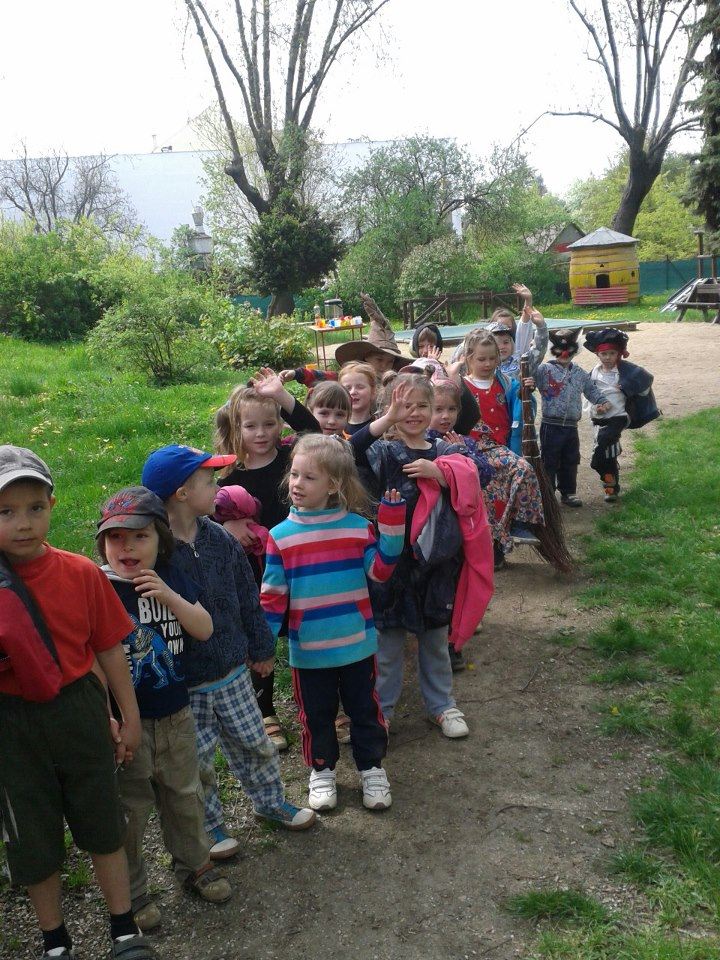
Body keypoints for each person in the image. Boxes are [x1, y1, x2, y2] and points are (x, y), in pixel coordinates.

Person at [0, 446, 158, 960]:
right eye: (5, 512)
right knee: (32, 837)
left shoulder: (80, 573)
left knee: (102, 820)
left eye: (34, 508)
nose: (23, 523)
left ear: (52, 505)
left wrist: (128, 716)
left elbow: (108, 648)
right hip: (12, 724)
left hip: (79, 710)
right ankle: (55, 941)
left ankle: (123, 929)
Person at [141, 444, 316, 861]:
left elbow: (247, 596)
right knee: (197, 761)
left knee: (254, 742)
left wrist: (261, 646)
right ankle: (210, 824)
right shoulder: (155, 551)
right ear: (182, 493)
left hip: (233, 670)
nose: (217, 488)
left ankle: (270, 802)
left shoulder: (219, 537)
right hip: (186, 682)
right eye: (208, 481)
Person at [96, 486, 231, 931]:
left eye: (140, 536)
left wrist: (168, 595)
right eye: (115, 538)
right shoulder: (99, 587)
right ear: (102, 544)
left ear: (161, 540)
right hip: (126, 725)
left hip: (176, 714)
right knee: (131, 810)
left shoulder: (170, 574)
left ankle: (194, 865)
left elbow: (204, 628)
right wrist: (108, 718)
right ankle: (133, 892)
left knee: (185, 794)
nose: (127, 548)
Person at [260, 434, 406, 811]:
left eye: (309, 477)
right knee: (316, 715)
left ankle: (372, 768)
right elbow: (272, 597)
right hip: (309, 651)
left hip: (356, 645)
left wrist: (392, 527)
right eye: (294, 474)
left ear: (333, 485)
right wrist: (262, 646)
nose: (296, 483)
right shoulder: (280, 537)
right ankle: (322, 771)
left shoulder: (357, 528)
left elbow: (380, 571)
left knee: (365, 712)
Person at [354, 375, 492, 739]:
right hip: (391, 567)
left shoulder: (445, 449)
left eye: (422, 406)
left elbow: (480, 475)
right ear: (389, 408)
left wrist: (441, 473)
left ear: (432, 410)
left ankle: (441, 705)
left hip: (437, 566)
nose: (414, 413)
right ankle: (381, 713)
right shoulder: (383, 451)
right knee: (387, 647)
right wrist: (386, 421)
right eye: (404, 406)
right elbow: (350, 451)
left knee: (435, 642)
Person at [214, 382, 316, 749]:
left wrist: (283, 396)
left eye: (269, 424)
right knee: (261, 634)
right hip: (256, 571)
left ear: (281, 424)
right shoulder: (229, 474)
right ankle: (265, 709)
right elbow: (203, 511)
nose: (261, 433)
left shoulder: (293, 458)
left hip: (300, 561)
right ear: (236, 428)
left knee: (307, 628)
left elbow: (315, 431)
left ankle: (323, 701)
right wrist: (226, 526)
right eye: (250, 426)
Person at [460, 331, 543, 548]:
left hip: (499, 448)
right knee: (487, 494)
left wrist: (526, 391)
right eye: (481, 359)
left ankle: (519, 524)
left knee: (523, 469)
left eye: (492, 358)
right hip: (469, 449)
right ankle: (492, 549)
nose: (488, 364)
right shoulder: (461, 386)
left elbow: (523, 408)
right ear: (469, 358)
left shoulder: (507, 384)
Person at [532, 328, 610, 507]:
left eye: (568, 349)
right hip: (550, 425)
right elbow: (529, 382)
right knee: (549, 460)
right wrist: (529, 384)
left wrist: (602, 401)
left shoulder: (580, 373)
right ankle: (548, 494)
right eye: (559, 349)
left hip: (571, 426)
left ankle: (568, 492)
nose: (564, 354)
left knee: (571, 459)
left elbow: (591, 390)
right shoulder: (544, 370)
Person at [583, 328, 659, 502]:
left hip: (619, 417)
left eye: (612, 353)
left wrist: (627, 388)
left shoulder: (625, 372)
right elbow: (586, 398)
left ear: (618, 354)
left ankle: (604, 475)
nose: (608, 357)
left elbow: (644, 384)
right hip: (598, 420)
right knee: (608, 455)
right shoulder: (592, 376)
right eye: (604, 354)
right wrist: (595, 409)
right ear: (597, 354)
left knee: (603, 449)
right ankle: (610, 485)